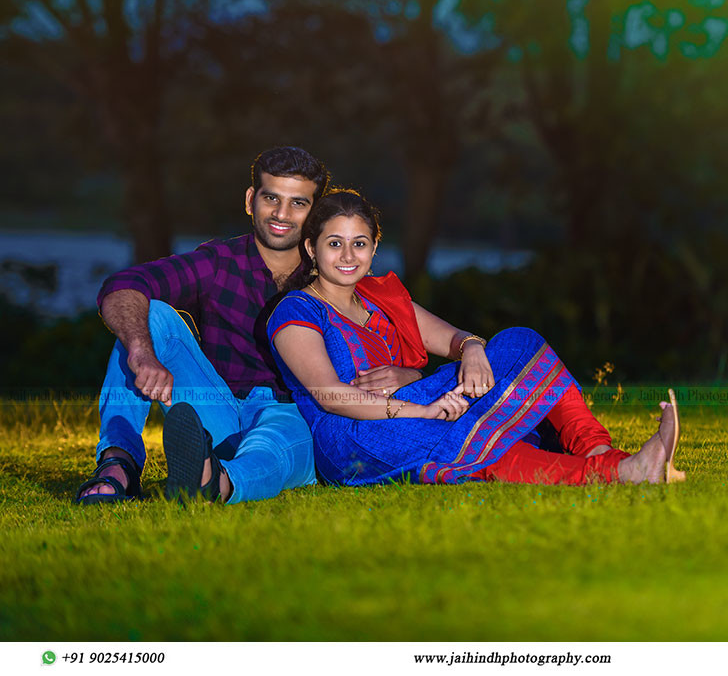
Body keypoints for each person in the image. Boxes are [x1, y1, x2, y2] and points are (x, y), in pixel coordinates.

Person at [267, 189, 686, 486]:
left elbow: (455, 338)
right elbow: (332, 397)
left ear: (374, 248)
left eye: (359, 244)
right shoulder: (297, 311)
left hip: (422, 407)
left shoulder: (381, 298)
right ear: (310, 249)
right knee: (455, 433)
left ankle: (596, 451)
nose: (347, 256)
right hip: (352, 437)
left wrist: (471, 349)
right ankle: (618, 472)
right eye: (334, 243)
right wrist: (423, 411)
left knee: (520, 339)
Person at [75, 146, 331, 505]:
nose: (281, 214)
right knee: (148, 316)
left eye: (298, 203)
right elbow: (123, 285)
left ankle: (217, 481)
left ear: (315, 212)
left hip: (291, 413)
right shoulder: (217, 262)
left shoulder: (331, 275)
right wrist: (142, 352)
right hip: (215, 408)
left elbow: (385, 335)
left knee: (273, 445)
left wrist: (402, 375)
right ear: (249, 200)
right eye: (271, 197)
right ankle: (120, 462)